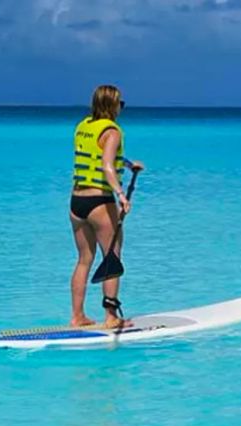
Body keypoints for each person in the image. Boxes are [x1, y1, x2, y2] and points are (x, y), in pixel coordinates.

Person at [69, 85, 144, 328]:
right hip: (99, 201)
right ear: (112, 105)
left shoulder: (84, 126)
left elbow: (99, 155)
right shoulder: (113, 132)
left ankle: (77, 316)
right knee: (112, 256)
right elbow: (106, 166)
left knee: (84, 259)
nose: (121, 109)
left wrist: (129, 163)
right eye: (120, 104)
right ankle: (111, 317)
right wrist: (121, 195)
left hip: (76, 202)